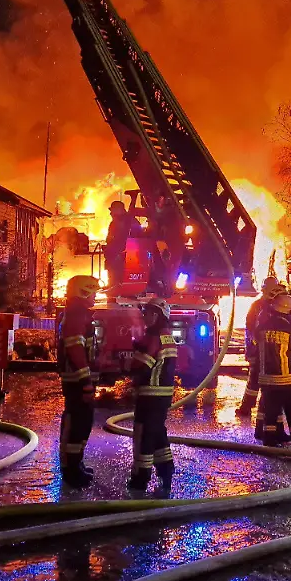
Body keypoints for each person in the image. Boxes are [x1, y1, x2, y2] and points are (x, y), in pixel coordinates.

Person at [127, 297, 178, 494]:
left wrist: (134, 353)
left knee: (144, 436)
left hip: (149, 395)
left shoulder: (153, 337)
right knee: (157, 434)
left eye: (146, 313)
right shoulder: (167, 336)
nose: (144, 316)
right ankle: (166, 471)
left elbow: (140, 366)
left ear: (156, 315)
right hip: (162, 396)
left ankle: (140, 479)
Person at [57, 275, 101, 488]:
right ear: (83, 292)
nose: (95, 296)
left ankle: (77, 463)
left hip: (79, 379)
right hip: (76, 381)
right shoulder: (76, 315)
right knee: (77, 424)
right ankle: (71, 470)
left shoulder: (79, 313)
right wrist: (85, 382)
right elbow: (75, 351)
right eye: (93, 292)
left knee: (83, 422)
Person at [253, 293, 291, 449]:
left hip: (266, 378)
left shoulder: (262, 327)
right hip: (285, 379)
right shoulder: (289, 329)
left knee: (270, 412)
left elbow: (254, 344)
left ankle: (269, 441)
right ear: (288, 310)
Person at [236, 277, 282, 420]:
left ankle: (248, 408)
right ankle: (249, 408)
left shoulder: (264, 305)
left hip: (267, 351)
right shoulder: (262, 306)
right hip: (263, 351)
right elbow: (251, 329)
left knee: (258, 380)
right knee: (257, 379)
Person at [105, 200, 141, 290]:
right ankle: (114, 283)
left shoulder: (130, 222)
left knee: (117, 266)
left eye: (112, 210)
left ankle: (117, 283)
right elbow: (109, 238)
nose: (111, 213)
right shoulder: (114, 223)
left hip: (127, 252)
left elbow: (138, 236)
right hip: (118, 252)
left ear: (119, 210)